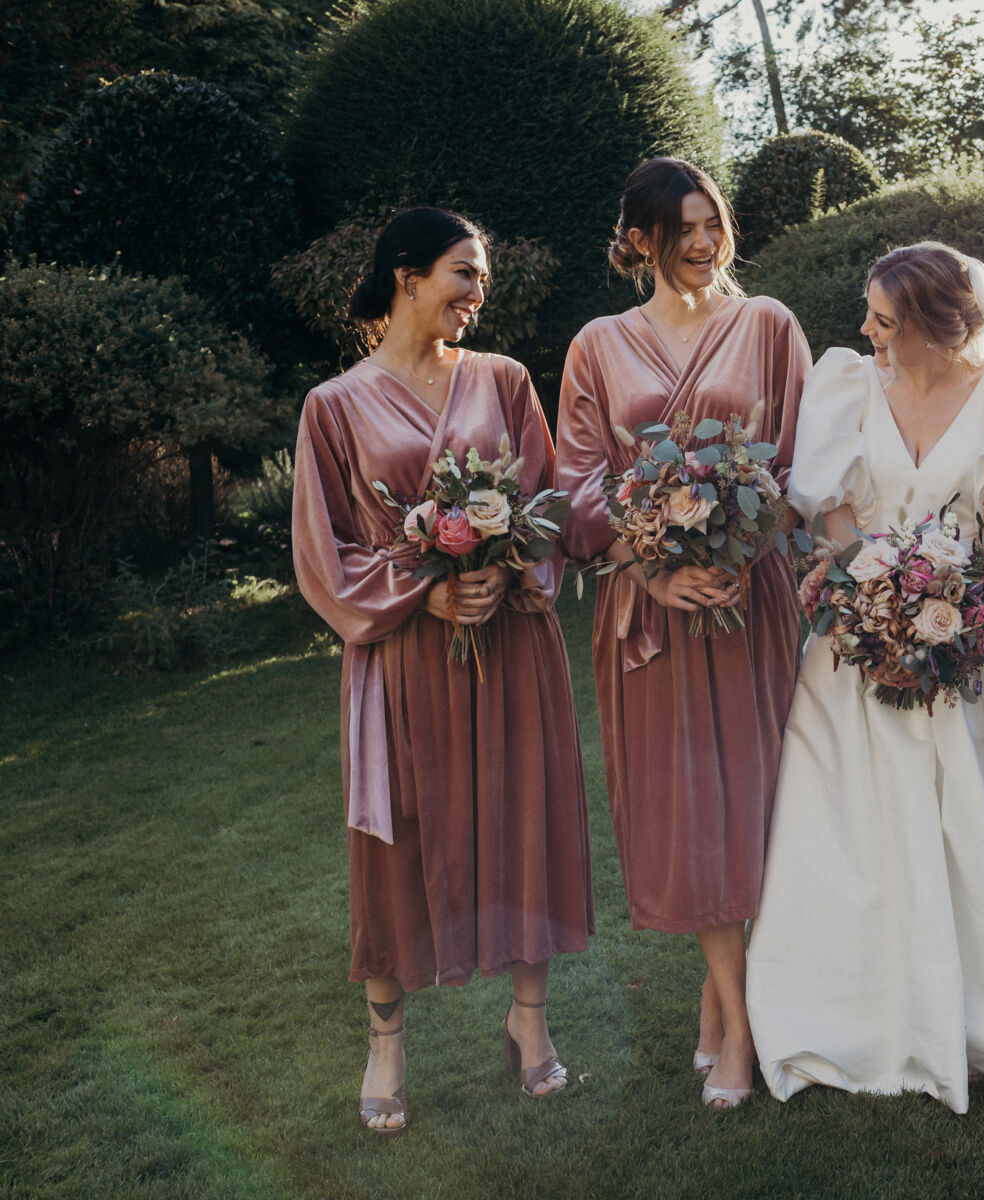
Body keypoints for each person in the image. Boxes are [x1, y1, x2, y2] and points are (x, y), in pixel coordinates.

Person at [745, 243, 984, 1114]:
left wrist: (962, 612)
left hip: (976, 636)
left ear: (927, 322)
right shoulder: (848, 380)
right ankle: (852, 1003)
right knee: (849, 823)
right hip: (861, 637)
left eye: (883, 317)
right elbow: (834, 511)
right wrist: (872, 596)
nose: (865, 329)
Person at [292, 207, 593, 1135]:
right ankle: (386, 1045)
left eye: (482, 278)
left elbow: (546, 502)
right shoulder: (333, 406)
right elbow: (321, 549)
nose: (477, 293)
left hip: (509, 647)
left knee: (526, 819)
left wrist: (506, 570)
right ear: (406, 276)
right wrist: (421, 595)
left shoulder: (504, 381)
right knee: (397, 843)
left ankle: (529, 1025)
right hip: (401, 659)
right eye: (464, 273)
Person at [555, 158, 810, 1110]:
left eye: (714, 223)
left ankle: (722, 1005)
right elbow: (575, 482)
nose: (704, 243)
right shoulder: (597, 346)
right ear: (641, 241)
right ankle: (743, 1030)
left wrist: (741, 543)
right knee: (692, 814)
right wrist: (656, 558)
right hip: (650, 613)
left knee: (758, 805)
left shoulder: (771, 326)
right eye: (682, 229)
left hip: (753, 604)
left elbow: (799, 455)